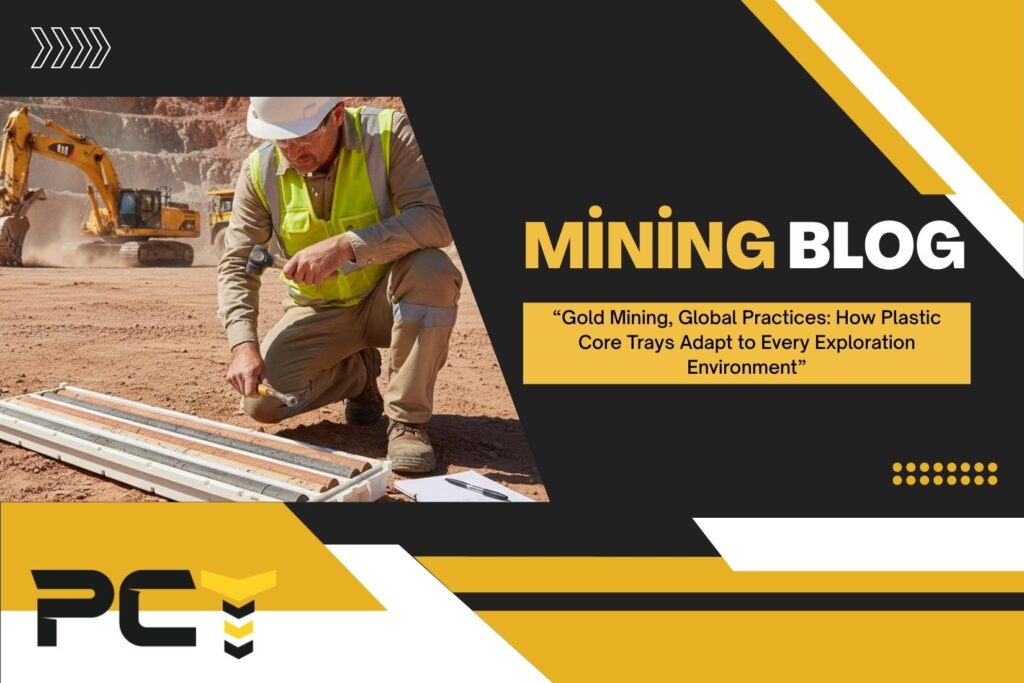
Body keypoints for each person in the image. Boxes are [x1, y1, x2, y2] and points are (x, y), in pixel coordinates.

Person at [217, 97, 462, 473]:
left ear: (336, 115)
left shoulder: (387, 136)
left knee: (433, 270)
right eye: (281, 141)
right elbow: (237, 264)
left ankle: (407, 421)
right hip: (320, 310)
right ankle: (358, 374)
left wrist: (346, 246)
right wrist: (242, 344)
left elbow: (436, 219)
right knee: (263, 404)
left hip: (389, 299)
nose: (292, 152)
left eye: (302, 138)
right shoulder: (259, 170)